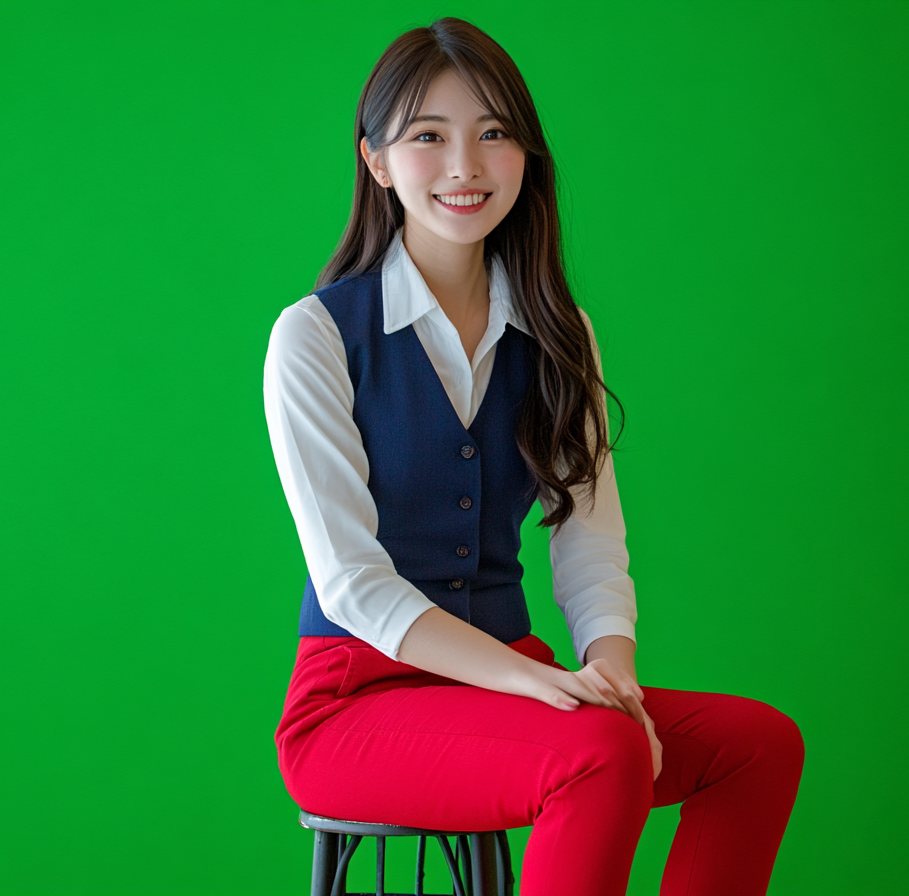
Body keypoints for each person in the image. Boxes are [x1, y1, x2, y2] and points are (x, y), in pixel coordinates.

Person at [262, 17, 804, 896]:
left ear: (527, 155)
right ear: (376, 160)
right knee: (598, 755)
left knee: (757, 746)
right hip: (353, 708)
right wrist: (533, 682)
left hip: (511, 689)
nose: (465, 166)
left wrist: (614, 675)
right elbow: (354, 584)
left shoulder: (559, 333)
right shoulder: (317, 336)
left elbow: (588, 539)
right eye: (428, 137)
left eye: (494, 133)